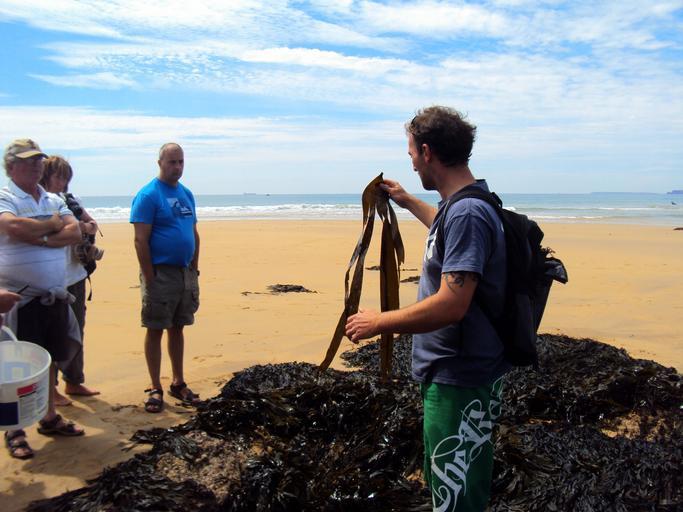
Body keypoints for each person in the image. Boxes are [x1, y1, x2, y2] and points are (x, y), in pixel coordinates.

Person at [345, 106, 509, 511]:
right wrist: (407, 201)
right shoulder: (463, 205)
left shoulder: (467, 212)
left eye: (412, 153)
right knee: (452, 487)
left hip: (460, 378)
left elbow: (452, 304)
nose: (412, 163)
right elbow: (447, 228)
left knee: (456, 495)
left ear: (427, 151)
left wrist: (379, 322)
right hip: (457, 374)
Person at [0, 139, 85, 460]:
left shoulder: (53, 198)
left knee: (48, 359)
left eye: (38, 160)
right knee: (15, 367)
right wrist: (51, 225)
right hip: (17, 300)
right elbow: (12, 226)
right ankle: (14, 430)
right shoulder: (5, 197)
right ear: (11, 167)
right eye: (28, 161)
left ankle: (49, 417)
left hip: (54, 295)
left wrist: (40, 236)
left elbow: (75, 232)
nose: (36, 166)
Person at [130, 142, 200, 413]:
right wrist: (150, 276)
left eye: (181, 161)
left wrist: (194, 267)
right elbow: (140, 240)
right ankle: (154, 386)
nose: (177, 167)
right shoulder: (148, 195)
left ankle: (178, 382)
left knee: (178, 327)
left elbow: (193, 232)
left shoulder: (186, 194)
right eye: (172, 162)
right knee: (155, 328)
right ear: (160, 163)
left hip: (185, 273)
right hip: (160, 273)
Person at [40, 156, 101, 404]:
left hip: (76, 274)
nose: (63, 182)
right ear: (46, 175)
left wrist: (83, 228)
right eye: (59, 176)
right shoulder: (40, 203)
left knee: (77, 329)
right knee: (53, 334)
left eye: (66, 177)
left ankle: (74, 381)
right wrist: (78, 229)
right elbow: (58, 232)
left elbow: (91, 224)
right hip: (52, 278)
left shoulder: (70, 200)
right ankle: (51, 389)